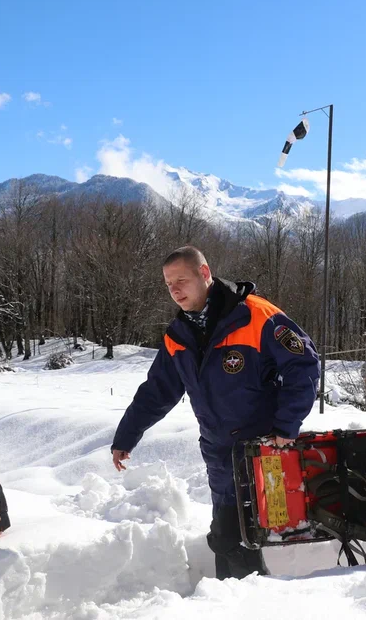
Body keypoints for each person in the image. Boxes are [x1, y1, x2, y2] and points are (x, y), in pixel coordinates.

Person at [111, 245, 320, 579]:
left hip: (267, 451)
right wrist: (126, 436)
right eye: (168, 284)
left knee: (271, 535)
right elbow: (157, 392)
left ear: (204, 274)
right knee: (227, 537)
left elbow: (304, 366)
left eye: (182, 280)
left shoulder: (255, 315)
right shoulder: (178, 336)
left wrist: (286, 424)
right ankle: (228, 604)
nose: (175, 290)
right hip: (221, 455)